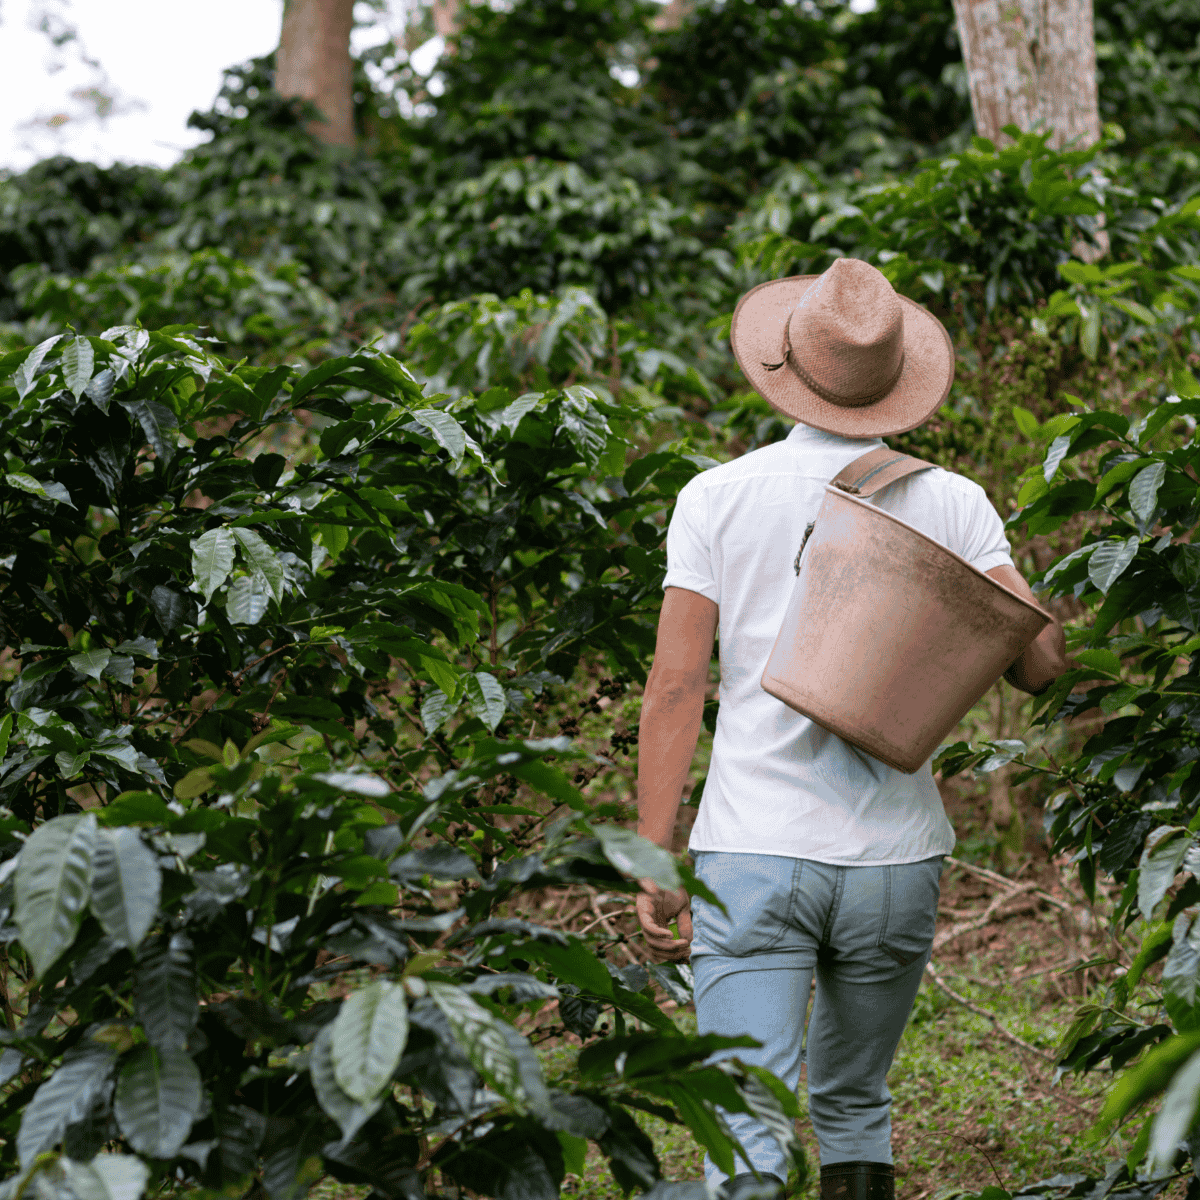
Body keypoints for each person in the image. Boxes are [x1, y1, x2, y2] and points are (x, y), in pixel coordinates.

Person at [634, 258, 1067, 1200]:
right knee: (856, 1103)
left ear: (785, 363)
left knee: (744, 1124)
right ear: (891, 383)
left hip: (754, 849)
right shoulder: (950, 500)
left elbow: (676, 689)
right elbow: (1042, 666)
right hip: (895, 862)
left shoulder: (716, 497)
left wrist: (651, 859)